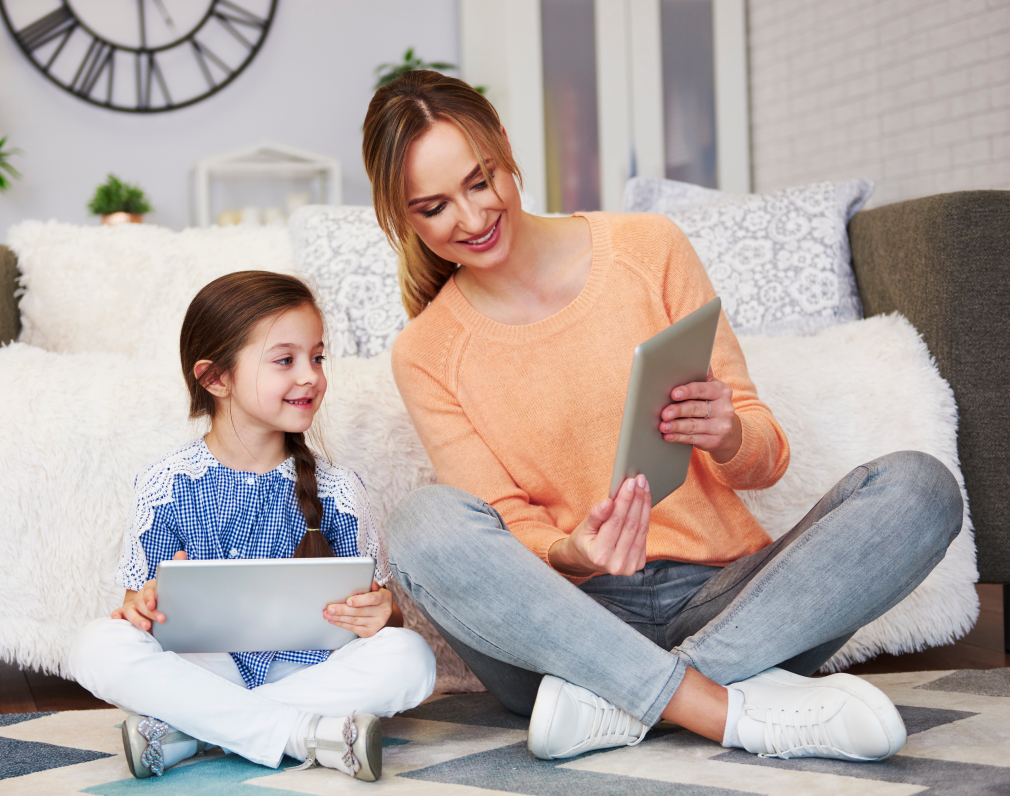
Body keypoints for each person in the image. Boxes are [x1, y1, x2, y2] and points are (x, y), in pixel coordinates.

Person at [363, 70, 963, 764]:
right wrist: (572, 552)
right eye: (434, 207)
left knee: (921, 487)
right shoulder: (427, 351)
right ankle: (722, 707)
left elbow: (764, 455)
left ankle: (622, 703)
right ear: (402, 217)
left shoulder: (648, 249)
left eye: (480, 180)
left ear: (502, 143)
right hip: (562, 627)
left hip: (726, 601)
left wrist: (729, 432)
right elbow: (501, 518)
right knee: (420, 524)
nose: (471, 218)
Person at [69, 271, 436, 781]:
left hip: (307, 671)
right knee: (96, 645)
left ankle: (190, 733)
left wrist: (382, 616)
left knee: (410, 657)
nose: (310, 375)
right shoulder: (166, 484)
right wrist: (142, 607)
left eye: (317, 357)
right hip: (205, 669)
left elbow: (377, 626)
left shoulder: (339, 491)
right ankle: (305, 735)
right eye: (285, 360)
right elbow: (140, 613)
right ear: (216, 379)